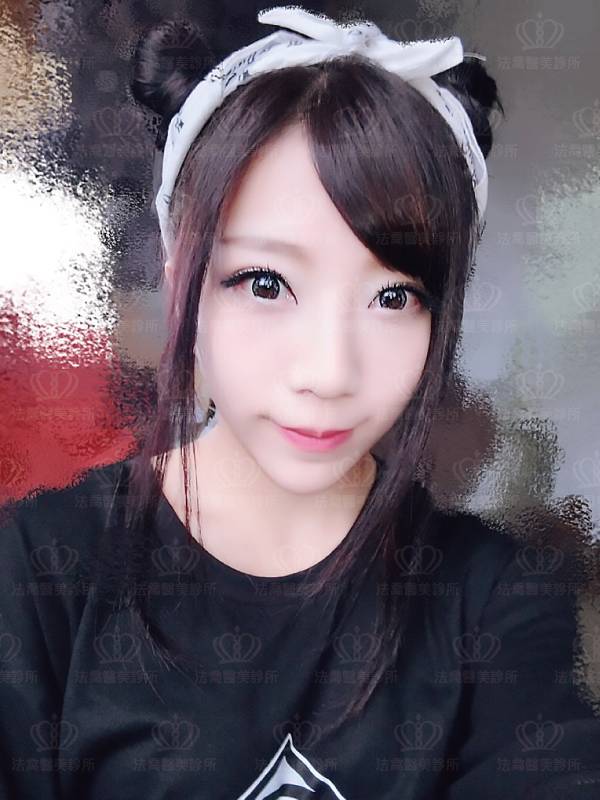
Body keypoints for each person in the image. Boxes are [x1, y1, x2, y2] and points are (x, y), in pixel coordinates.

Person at [1, 6, 599, 799]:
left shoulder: (494, 603)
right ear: (183, 281)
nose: (329, 371)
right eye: (265, 283)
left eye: (394, 297)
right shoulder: (39, 575)